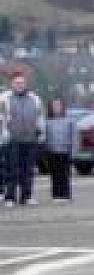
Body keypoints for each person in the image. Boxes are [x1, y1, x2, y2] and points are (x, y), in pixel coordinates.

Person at [2, 74, 43, 206]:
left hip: (30, 139)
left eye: (22, 83)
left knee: (28, 170)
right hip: (12, 139)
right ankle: (10, 197)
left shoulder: (34, 98)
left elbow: (40, 116)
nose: (19, 85)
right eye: (17, 83)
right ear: (12, 84)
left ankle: (27, 196)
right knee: (11, 170)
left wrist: (40, 131)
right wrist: (4, 133)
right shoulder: (4, 98)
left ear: (26, 84)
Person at [43, 98, 75, 202]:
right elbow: (44, 137)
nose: (57, 107)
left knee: (65, 174)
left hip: (65, 151)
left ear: (62, 107)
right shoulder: (47, 121)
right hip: (52, 151)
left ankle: (65, 195)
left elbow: (73, 137)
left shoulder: (69, 121)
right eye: (55, 105)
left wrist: (73, 151)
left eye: (59, 105)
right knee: (55, 174)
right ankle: (56, 195)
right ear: (51, 108)